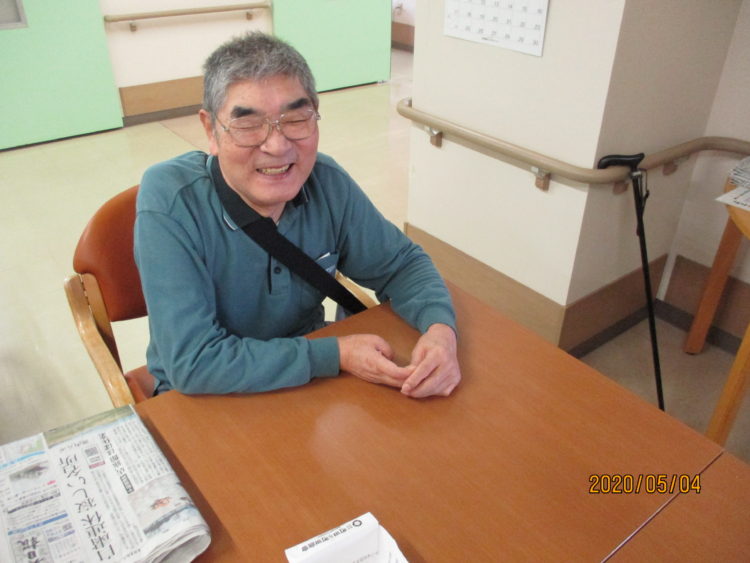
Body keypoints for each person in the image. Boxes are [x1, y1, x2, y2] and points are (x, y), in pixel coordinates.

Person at [134, 32, 460, 398]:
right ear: (211, 130)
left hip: (308, 382)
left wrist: (440, 331)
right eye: (248, 125)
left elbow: (402, 265)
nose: (277, 146)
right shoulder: (170, 200)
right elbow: (194, 362)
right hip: (205, 397)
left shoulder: (326, 182)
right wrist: (336, 354)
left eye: (295, 118)